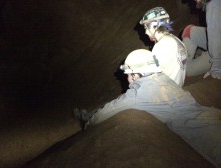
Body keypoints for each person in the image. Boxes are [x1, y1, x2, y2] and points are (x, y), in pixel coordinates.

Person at [74, 49, 221, 167]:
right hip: (212, 117)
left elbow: (104, 114)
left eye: (129, 75)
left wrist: (88, 124)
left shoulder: (138, 95)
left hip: (206, 137)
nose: (127, 78)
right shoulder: (165, 79)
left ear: (136, 75)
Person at [139, 7, 188, 87]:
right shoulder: (176, 40)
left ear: (155, 26)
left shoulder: (161, 45)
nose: (146, 32)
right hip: (178, 87)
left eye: (146, 28)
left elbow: (151, 75)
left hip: (167, 93)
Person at [184, 0, 221, 79]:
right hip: (217, 41)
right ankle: (184, 62)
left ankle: (185, 68)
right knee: (189, 30)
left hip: (218, 53)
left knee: (184, 71)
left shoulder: (214, 5)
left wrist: (216, 68)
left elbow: (216, 36)